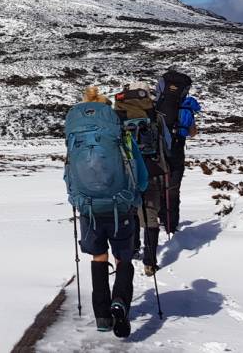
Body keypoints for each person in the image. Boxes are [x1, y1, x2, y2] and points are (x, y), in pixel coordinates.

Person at [66, 87, 149, 338]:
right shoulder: (121, 137)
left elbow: (68, 174)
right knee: (123, 257)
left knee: (98, 257)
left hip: (88, 207)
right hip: (120, 206)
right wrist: (136, 195)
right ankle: (120, 302)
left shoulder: (75, 137)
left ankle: (102, 316)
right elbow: (140, 175)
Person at [113, 82, 168, 277]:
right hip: (150, 166)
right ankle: (150, 261)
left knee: (130, 210)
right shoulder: (154, 113)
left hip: (125, 169)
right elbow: (165, 142)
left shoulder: (117, 113)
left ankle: (132, 248)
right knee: (150, 212)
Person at [154, 70, 198, 234]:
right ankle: (171, 225)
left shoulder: (157, 105)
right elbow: (192, 132)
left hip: (157, 151)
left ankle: (159, 217)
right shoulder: (185, 106)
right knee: (173, 188)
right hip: (177, 151)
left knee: (158, 185)